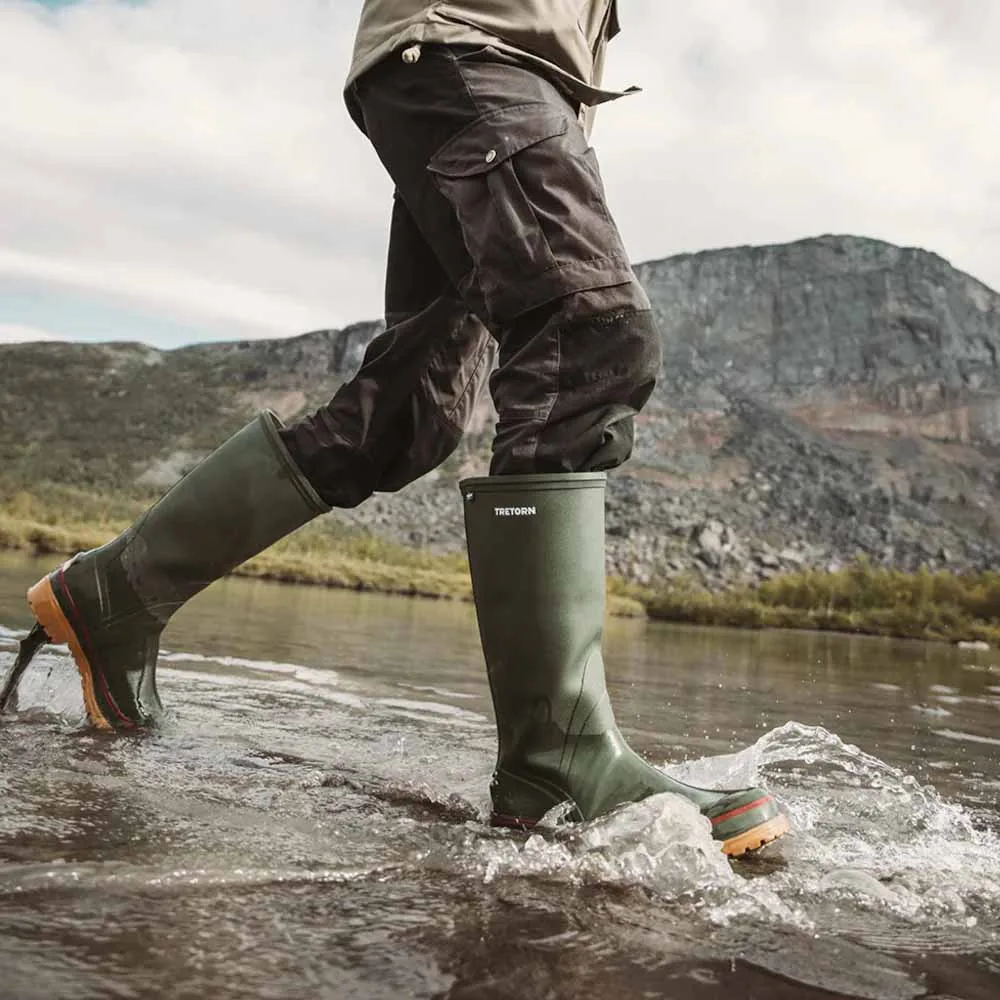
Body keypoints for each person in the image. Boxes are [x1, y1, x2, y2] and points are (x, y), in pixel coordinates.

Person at [13, 1, 788, 856]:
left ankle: (114, 595)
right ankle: (556, 761)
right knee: (589, 330)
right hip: (470, 56)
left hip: (483, 79)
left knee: (408, 412)